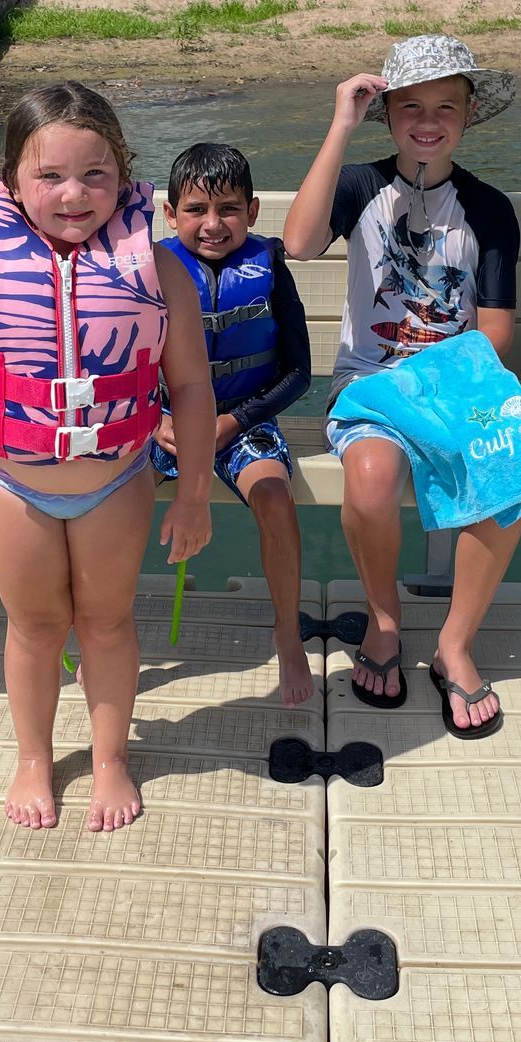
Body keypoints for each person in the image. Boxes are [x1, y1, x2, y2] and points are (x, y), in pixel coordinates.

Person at [0, 83, 214, 831]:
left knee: (109, 623)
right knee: (34, 626)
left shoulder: (160, 268)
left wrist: (193, 495)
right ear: (12, 184)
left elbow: (189, 383)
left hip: (116, 480)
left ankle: (111, 758)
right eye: (49, 176)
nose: (74, 194)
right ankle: (33, 758)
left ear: (124, 176)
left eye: (95, 174)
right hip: (10, 484)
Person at [283, 35, 521, 739]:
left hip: (455, 384)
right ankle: (385, 621)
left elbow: (497, 333)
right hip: (369, 386)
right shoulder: (360, 185)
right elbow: (297, 243)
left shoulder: (490, 209)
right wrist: (339, 124)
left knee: (511, 463)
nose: (428, 120)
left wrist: (439, 387)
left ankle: (455, 642)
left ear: (469, 113)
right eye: (410, 106)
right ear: (387, 113)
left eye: (446, 106)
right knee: (369, 475)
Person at [152, 144, 314, 707]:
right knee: (109, 500)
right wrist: (153, 423)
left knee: (274, 498)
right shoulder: (150, 272)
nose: (213, 224)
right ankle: (104, 635)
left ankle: (288, 635)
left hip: (242, 420)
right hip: (165, 423)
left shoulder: (270, 269)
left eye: (229, 209)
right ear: (170, 215)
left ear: (254, 210)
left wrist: (233, 420)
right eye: (196, 210)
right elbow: (120, 364)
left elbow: (299, 373)